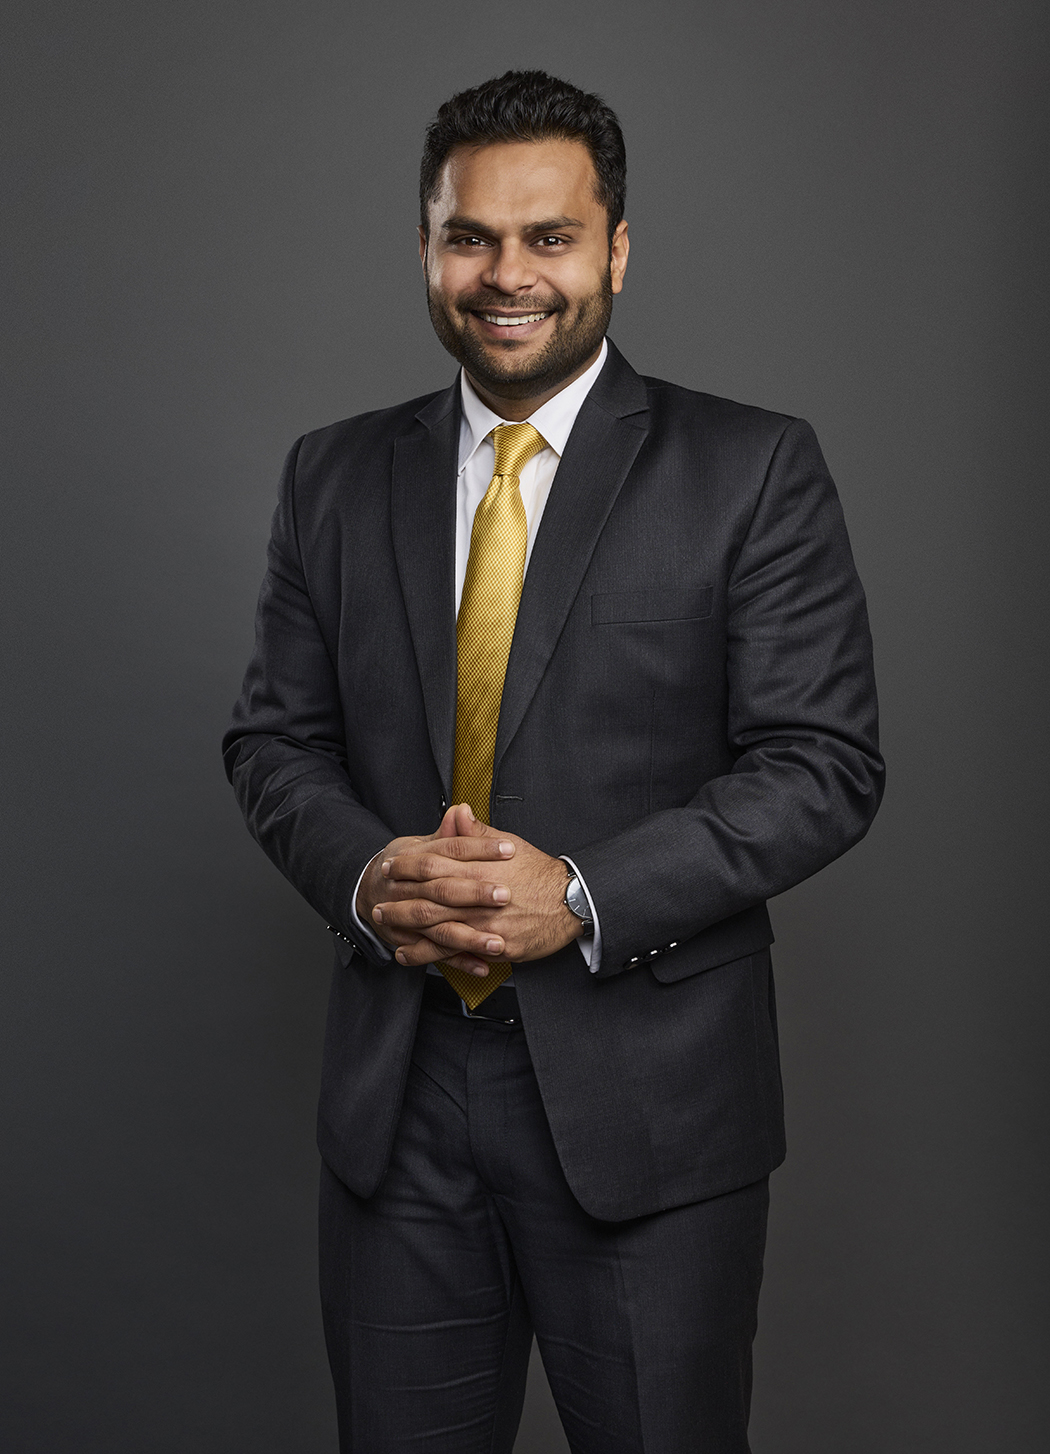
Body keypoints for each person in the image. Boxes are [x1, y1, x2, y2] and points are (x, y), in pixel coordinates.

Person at [224, 69, 883, 1454]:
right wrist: (369, 876)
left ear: (615, 252)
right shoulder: (328, 476)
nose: (507, 274)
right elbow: (276, 739)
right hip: (397, 1108)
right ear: (426, 249)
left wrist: (581, 895)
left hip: (653, 1112)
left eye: (549, 237)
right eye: (470, 237)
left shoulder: (751, 467)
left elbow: (821, 761)